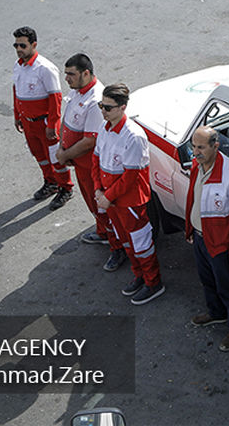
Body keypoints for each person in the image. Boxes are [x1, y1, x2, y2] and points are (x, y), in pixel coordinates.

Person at [94, 83, 165, 305]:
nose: (103, 111)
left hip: (129, 202)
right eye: (101, 106)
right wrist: (98, 188)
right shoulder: (104, 128)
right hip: (111, 199)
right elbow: (96, 159)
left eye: (107, 107)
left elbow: (131, 176)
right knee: (126, 241)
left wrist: (107, 197)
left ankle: (153, 283)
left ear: (122, 107)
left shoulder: (133, 136)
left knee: (141, 243)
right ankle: (139, 276)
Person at [185, 125, 229, 352]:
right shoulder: (198, 165)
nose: (195, 151)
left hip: (220, 243)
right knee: (207, 281)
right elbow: (194, 199)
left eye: (201, 147)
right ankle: (216, 313)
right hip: (200, 237)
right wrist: (191, 231)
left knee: (228, 286)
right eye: (194, 146)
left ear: (215, 146)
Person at [57, 54, 125, 272]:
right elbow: (66, 120)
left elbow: (90, 140)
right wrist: (61, 146)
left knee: (103, 208)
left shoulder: (97, 99)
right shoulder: (77, 91)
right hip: (80, 164)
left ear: (86, 73)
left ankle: (117, 248)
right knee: (92, 204)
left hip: (93, 167)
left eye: (71, 74)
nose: (67, 78)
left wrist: (66, 154)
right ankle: (102, 232)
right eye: (66, 74)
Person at [11, 26, 71, 209]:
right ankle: (50, 182)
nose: (19, 49)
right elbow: (16, 92)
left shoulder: (45, 69)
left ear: (34, 44)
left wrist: (52, 125)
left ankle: (65, 188)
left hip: (45, 124)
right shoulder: (18, 66)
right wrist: (17, 116)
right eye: (16, 45)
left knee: (55, 158)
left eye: (22, 45)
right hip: (28, 125)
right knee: (39, 156)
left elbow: (56, 99)